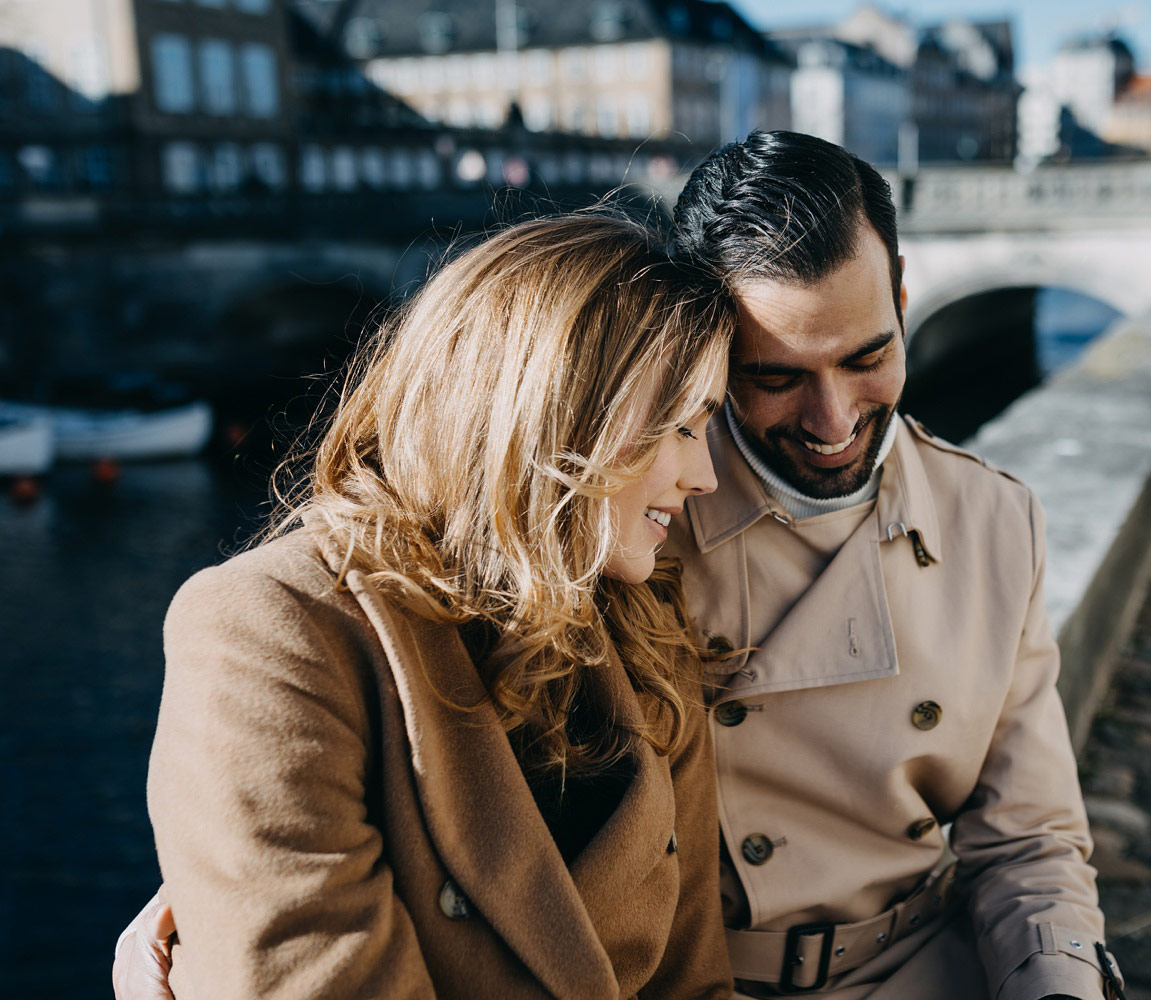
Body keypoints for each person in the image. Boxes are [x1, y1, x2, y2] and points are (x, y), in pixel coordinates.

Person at [117, 133, 1123, 1000]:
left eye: (869, 356)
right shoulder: (610, 539)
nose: (830, 420)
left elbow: (1029, 840)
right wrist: (212, 901)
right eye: (771, 379)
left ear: (905, 303)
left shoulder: (989, 522)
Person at [121, 213, 738, 999]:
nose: (704, 474)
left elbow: (695, 983)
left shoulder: (646, 635)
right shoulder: (275, 627)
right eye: (680, 424)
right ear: (554, 406)